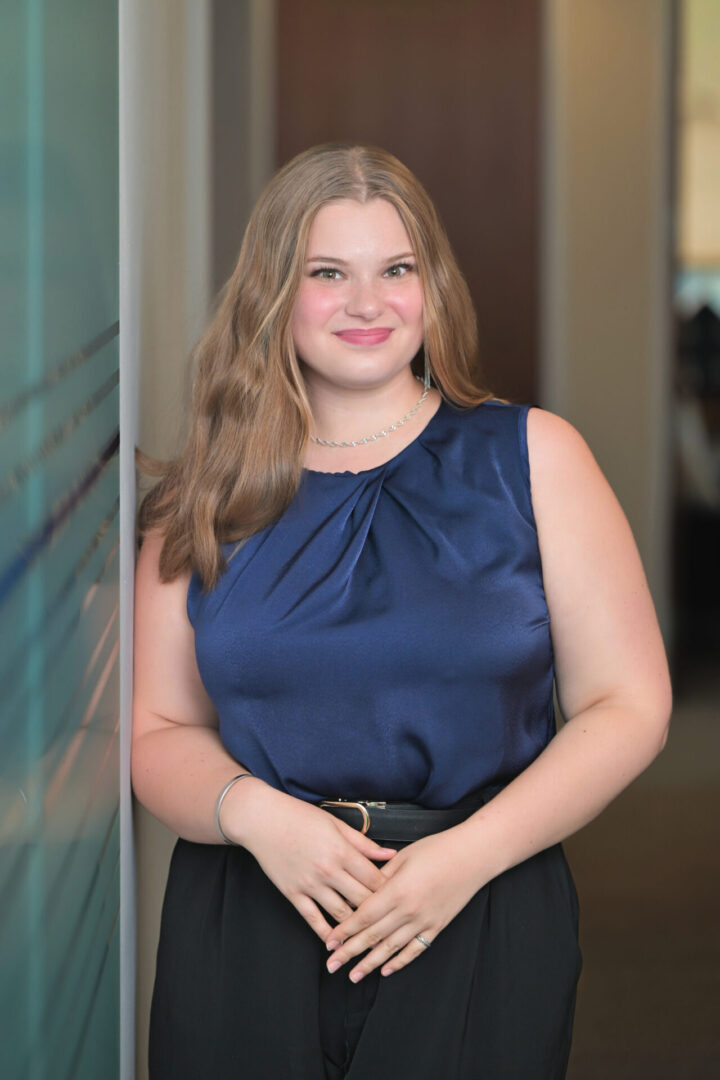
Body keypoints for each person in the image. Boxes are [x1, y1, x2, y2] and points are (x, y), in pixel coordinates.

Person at [132, 143, 672, 1079]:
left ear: (434, 286)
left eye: (396, 270)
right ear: (272, 292)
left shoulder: (535, 457)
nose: (367, 303)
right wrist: (257, 817)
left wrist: (463, 860)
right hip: (253, 911)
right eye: (327, 273)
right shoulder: (205, 496)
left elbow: (631, 705)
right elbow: (158, 730)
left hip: (481, 903)